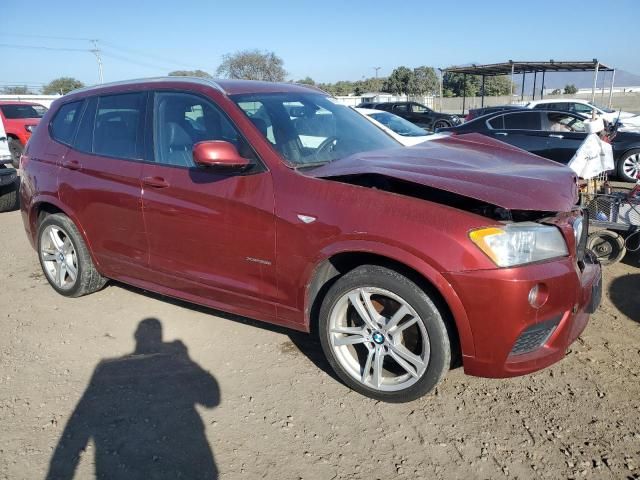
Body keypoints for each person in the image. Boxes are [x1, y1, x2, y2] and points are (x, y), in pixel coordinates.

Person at [46, 318, 220, 480]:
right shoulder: (109, 369)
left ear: (135, 336)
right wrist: (186, 360)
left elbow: (78, 423)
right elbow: (212, 399)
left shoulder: (107, 369)